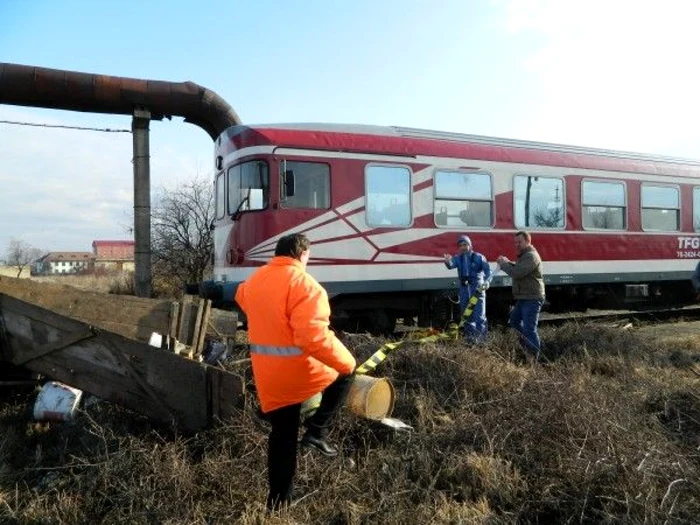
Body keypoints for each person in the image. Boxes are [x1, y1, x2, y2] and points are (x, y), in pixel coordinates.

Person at [234, 233, 356, 511]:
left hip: (268, 374)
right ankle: (316, 433)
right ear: (301, 255)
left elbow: (241, 295)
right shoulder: (306, 285)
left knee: (283, 435)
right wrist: (346, 361)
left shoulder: (255, 281)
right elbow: (311, 337)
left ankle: (278, 503)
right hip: (298, 371)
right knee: (346, 373)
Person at [496, 231, 546, 360]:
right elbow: (519, 267)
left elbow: (518, 273)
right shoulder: (525, 256)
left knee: (530, 329)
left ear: (528, 241)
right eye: (515, 242)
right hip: (524, 297)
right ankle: (528, 345)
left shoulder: (531, 256)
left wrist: (504, 265)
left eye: (520, 242)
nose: (516, 244)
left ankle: (534, 358)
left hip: (532, 297)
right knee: (514, 321)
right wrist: (508, 262)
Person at [443, 234, 492, 342]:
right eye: (460, 245)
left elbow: (488, 271)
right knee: (466, 316)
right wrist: (447, 262)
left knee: (479, 317)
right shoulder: (458, 258)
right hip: (464, 291)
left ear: (470, 245)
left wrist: (487, 282)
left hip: (477, 291)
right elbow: (451, 265)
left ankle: (482, 341)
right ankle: (470, 340)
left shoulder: (479, 257)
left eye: (465, 244)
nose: (462, 247)